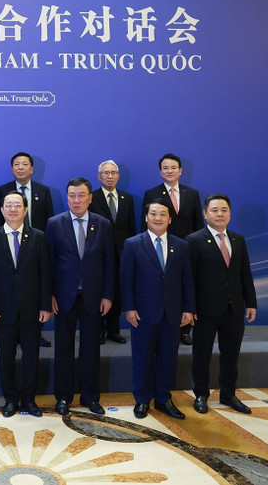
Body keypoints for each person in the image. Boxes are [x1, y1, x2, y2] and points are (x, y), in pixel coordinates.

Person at [45, 178, 114, 415]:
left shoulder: (103, 224)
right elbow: (48, 264)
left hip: (94, 297)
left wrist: (107, 295)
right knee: (63, 348)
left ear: (90, 197)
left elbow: (110, 262)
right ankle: (63, 397)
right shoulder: (54, 223)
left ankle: (90, 396)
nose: (77, 200)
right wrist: (50, 294)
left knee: (91, 348)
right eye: (72, 195)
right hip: (64, 297)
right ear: (67, 198)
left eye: (81, 195)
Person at [122, 199, 195, 420]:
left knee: (167, 357)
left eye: (163, 214)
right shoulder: (133, 244)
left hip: (172, 312)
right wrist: (129, 308)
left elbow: (187, 280)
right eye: (153, 213)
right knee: (142, 357)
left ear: (170, 219)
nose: (157, 218)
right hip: (143, 313)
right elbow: (126, 280)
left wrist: (189, 308)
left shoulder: (181, 245)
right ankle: (142, 399)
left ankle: (164, 398)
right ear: (146, 217)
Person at [0, 191, 52, 417]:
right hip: (2, 311)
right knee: (6, 357)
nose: (13, 209)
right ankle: (10, 399)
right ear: (2, 210)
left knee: (31, 357)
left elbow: (45, 273)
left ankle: (29, 399)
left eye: (18, 205)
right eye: (8, 205)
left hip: (32, 309)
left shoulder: (39, 236)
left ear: (25, 209)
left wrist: (45, 305)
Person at [187, 194, 257, 415]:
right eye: (215, 210)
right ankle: (200, 394)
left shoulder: (238, 239)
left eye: (224, 210)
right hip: (204, 310)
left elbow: (244, 274)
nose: (219, 214)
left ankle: (228, 394)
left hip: (233, 308)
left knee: (231, 354)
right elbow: (189, 278)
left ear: (230, 213)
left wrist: (251, 302)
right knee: (202, 354)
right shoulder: (194, 240)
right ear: (205, 213)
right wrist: (190, 308)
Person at [140, 153, 202, 346]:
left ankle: (185, 330)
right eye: (165, 168)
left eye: (173, 167)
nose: (169, 171)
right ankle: (162, 325)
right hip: (161, 250)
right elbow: (145, 226)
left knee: (186, 287)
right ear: (160, 172)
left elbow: (199, 225)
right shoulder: (151, 194)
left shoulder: (192, 194)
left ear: (180, 171)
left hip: (187, 250)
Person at [0, 152, 55, 347]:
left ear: (32, 168)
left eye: (24, 164)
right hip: (8, 248)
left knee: (33, 291)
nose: (20, 167)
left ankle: (35, 335)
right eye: (16, 164)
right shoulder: (2, 191)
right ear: (12, 168)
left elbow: (49, 221)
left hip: (34, 249)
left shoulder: (43, 191)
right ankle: (14, 335)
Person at [89, 160, 134, 345]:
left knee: (117, 292)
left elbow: (131, 227)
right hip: (99, 254)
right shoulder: (92, 197)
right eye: (105, 173)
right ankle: (99, 329)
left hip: (122, 254)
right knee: (100, 291)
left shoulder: (127, 198)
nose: (109, 176)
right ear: (99, 177)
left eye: (113, 173)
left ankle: (114, 330)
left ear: (118, 176)